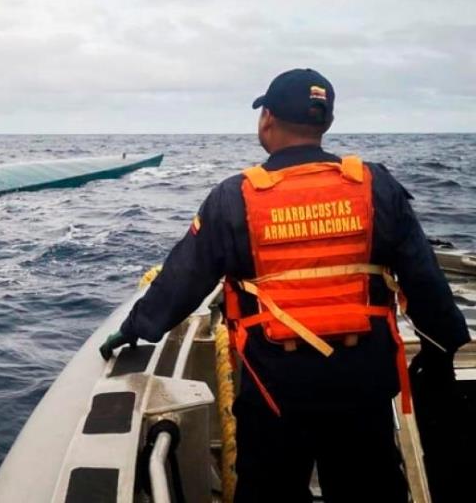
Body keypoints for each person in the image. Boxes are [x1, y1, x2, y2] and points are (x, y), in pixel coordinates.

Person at [99, 68, 471, 502]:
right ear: (326, 123)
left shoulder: (233, 197)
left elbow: (183, 279)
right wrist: (443, 347)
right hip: (363, 384)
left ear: (267, 119)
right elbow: (425, 281)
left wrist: (136, 327)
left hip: (275, 387)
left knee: (269, 489)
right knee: (370, 488)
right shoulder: (375, 187)